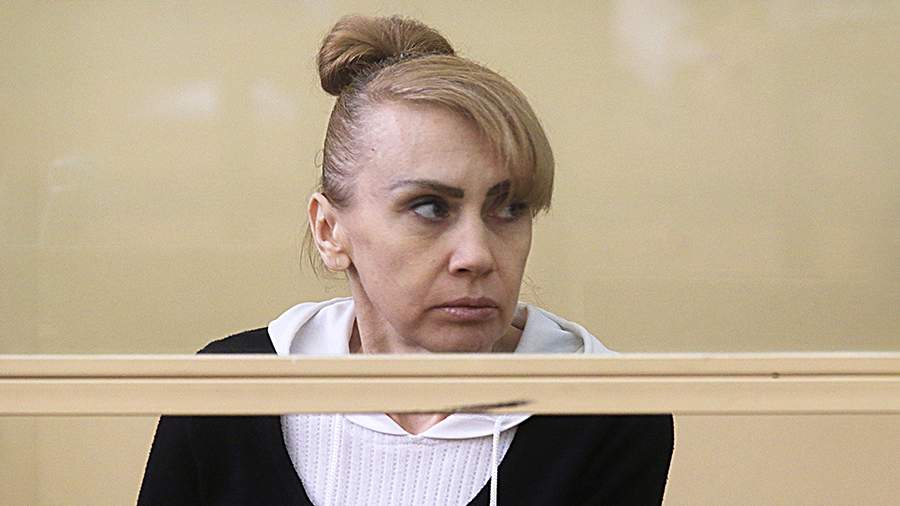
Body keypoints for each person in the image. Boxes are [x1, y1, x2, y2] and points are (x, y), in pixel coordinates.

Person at [138, 15, 673, 506]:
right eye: (429, 207)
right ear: (329, 231)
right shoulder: (227, 396)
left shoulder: (605, 412)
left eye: (510, 208)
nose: (476, 256)